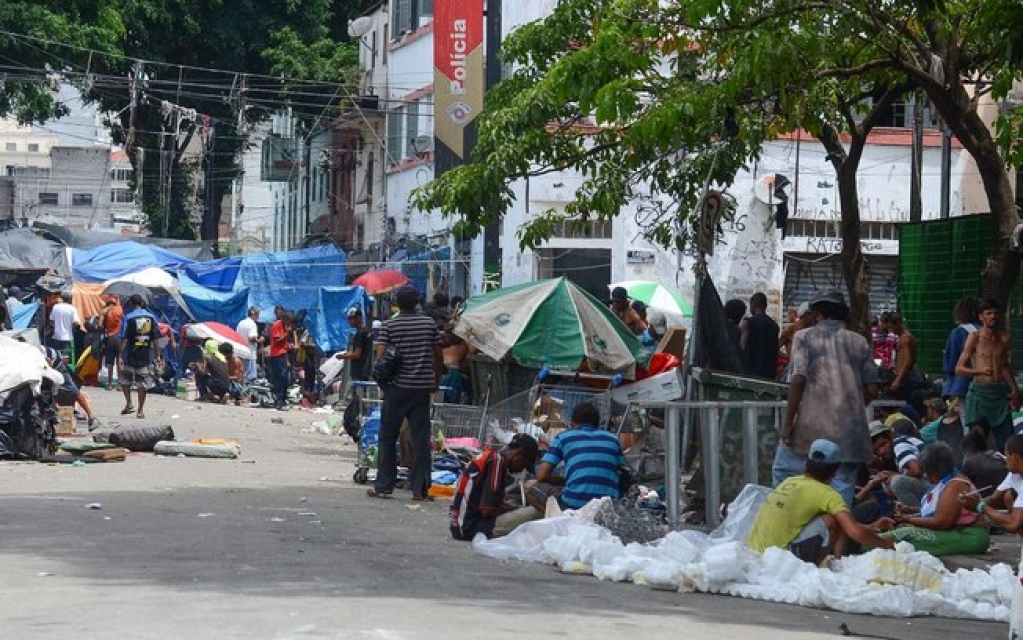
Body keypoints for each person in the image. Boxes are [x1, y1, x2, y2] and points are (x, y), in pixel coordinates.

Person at [775, 288, 880, 507]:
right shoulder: (860, 342)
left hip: (810, 430)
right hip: (850, 435)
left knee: (785, 476)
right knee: (840, 494)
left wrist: (788, 426)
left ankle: (792, 531)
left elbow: (798, 379)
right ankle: (835, 537)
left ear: (817, 313)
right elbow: (871, 390)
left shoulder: (804, 337)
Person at [748, 439, 895, 564]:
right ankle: (833, 564)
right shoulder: (827, 494)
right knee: (833, 520)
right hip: (781, 560)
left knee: (836, 517)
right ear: (835, 471)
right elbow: (854, 531)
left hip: (756, 554)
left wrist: (871, 527)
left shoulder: (789, 481)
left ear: (806, 464)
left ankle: (837, 560)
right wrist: (885, 544)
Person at [367, 286, 443, 501]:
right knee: (420, 440)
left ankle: (383, 486)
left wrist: (385, 383)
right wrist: (435, 379)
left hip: (396, 389)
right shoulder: (429, 324)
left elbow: (381, 356)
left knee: (388, 437)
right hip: (421, 389)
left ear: (398, 305)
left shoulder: (390, 325)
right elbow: (437, 354)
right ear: (417, 302)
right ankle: (420, 490)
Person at [879, 442, 989, 556]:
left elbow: (940, 522)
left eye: (927, 472)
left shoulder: (955, 485)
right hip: (957, 532)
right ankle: (867, 540)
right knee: (903, 534)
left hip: (970, 536)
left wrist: (908, 519)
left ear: (937, 470)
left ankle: (865, 543)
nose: (925, 476)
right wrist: (909, 509)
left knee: (906, 534)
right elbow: (939, 510)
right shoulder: (944, 482)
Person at [526, 402, 626, 511]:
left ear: (572, 423)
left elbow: (542, 475)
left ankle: (561, 519)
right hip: (608, 506)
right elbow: (621, 472)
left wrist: (564, 481)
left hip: (573, 504)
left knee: (532, 490)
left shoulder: (563, 438)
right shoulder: (613, 439)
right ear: (597, 424)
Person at [956, 298, 1020, 452]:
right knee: (976, 441)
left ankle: (1007, 472)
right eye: (988, 313)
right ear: (981, 317)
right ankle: (971, 472)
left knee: (1007, 441)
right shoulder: (975, 337)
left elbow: (1004, 365)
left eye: (995, 313)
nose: (992, 317)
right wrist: (979, 371)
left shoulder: (1004, 338)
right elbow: (959, 368)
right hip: (979, 393)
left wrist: (1014, 389)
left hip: (998, 394)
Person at [449, 433, 541, 540]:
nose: (521, 469)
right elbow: (487, 509)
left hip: (459, 525)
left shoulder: (490, 456)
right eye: (524, 464)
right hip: (471, 528)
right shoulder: (496, 463)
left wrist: (510, 507)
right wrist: (513, 509)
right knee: (536, 512)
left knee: (515, 507)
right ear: (518, 453)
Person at [960, 434, 1023, 534]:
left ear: (1014, 458)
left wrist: (980, 505)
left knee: (1010, 502)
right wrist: (972, 502)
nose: (1005, 459)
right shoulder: (1014, 474)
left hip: (1014, 523)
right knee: (1008, 496)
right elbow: (994, 498)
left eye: (1006, 455)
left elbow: (1013, 524)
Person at [118, 294, 161, 419]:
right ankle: (140, 410)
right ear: (142, 303)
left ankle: (129, 403)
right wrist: (158, 355)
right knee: (143, 384)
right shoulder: (151, 317)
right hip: (145, 355)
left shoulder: (128, 317)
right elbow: (156, 339)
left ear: (131, 304)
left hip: (130, 355)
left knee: (125, 381)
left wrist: (120, 355)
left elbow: (124, 339)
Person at [42, 346, 100, 431]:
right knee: (50, 397)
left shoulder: (40, 351)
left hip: (56, 367)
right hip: (44, 370)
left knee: (73, 392)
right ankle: (62, 423)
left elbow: (49, 362)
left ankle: (91, 417)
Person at [943, 297, 980, 402]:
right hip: (986, 382)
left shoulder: (958, 332)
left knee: (967, 416)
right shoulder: (985, 331)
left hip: (963, 384)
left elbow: (951, 364)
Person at [888, 313, 925, 405]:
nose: (891, 330)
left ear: (898, 323)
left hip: (906, 379)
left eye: (891, 327)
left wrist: (897, 380)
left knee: (904, 404)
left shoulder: (905, 339)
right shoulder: (904, 337)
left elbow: (907, 361)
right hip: (905, 377)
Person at [741, 292, 779, 379]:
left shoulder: (748, 322)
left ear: (753, 305)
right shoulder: (774, 326)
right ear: (765, 306)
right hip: (769, 376)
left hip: (750, 374)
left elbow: (742, 348)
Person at [335, 307, 372, 382]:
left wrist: (342, 356)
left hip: (360, 370)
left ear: (358, 318)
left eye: (351, 318)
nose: (349, 321)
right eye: (348, 319)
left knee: (358, 392)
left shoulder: (360, 334)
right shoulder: (366, 331)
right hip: (365, 369)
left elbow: (357, 354)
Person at [268, 311, 294, 411]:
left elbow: (283, 343)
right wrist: (287, 332)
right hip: (276, 355)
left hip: (282, 354)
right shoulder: (277, 325)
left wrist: (288, 346)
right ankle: (279, 399)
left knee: (285, 379)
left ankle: (283, 398)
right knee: (280, 378)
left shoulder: (283, 326)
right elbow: (277, 340)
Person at [99, 296, 124, 389]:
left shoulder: (104, 311)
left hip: (109, 338)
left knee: (110, 362)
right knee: (119, 360)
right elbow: (123, 320)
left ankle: (109, 384)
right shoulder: (120, 309)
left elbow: (100, 326)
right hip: (119, 338)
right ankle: (120, 384)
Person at [49, 291, 80, 358]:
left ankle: (58, 368)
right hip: (67, 337)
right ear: (70, 299)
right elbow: (76, 323)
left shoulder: (56, 307)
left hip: (56, 336)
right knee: (66, 358)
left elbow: (51, 320)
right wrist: (72, 327)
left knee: (57, 356)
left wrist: (56, 326)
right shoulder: (72, 308)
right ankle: (64, 368)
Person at [236, 306, 261, 383]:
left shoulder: (241, 323)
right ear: (254, 314)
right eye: (258, 315)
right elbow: (251, 338)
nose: (258, 317)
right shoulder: (252, 324)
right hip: (250, 354)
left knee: (243, 375)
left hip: (241, 352)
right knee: (250, 377)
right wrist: (260, 340)